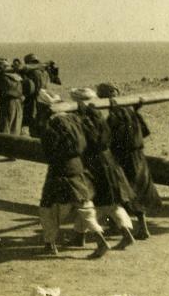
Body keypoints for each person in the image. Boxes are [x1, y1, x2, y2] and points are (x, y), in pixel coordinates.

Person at [36, 90, 112, 259]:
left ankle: (50, 244)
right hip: (77, 167)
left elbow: (50, 148)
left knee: (47, 207)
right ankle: (101, 239)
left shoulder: (53, 123)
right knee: (84, 205)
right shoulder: (73, 119)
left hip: (60, 169)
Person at [71, 87, 137, 251]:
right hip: (108, 160)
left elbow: (85, 141)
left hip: (94, 162)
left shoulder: (83, 119)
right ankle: (126, 233)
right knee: (112, 202)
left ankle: (82, 236)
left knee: (88, 200)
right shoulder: (99, 115)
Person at [97, 82, 160, 240]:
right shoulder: (131, 111)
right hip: (139, 156)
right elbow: (145, 132)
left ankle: (117, 225)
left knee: (122, 191)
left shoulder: (113, 116)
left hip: (124, 158)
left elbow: (107, 140)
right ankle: (141, 227)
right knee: (139, 189)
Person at [21, 53, 50, 138]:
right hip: (44, 98)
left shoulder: (32, 72)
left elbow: (30, 88)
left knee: (33, 122)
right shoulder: (44, 72)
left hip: (33, 99)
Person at [0, 57, 23, 135]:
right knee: (15, 128)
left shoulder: (2, 76)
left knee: (5, 128)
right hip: (18, 103)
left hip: (7, 103)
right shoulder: (16, 77)